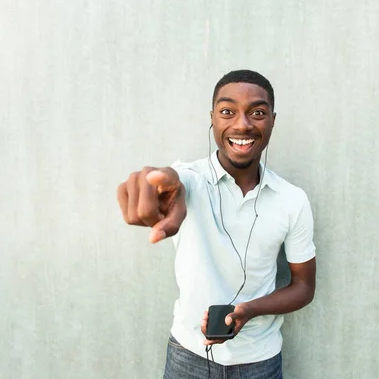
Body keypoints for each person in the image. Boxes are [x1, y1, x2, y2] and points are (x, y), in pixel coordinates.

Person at [117, 70, 316, 378]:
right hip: (189, 356)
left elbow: (303, 287)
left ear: (273, 121)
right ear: (212, 118)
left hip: (259, 361)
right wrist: (155, 185)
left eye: (258, 113)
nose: (242, 124)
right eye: (227, 111)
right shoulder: (189, 179)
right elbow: (171, 182)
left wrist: (249, 311)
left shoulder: (293, 200)